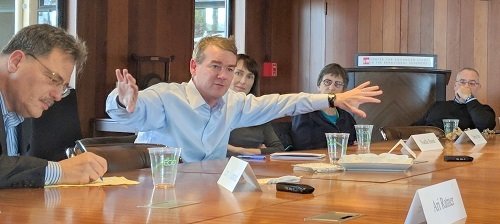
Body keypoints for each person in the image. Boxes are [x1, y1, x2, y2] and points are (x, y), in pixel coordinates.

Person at [106, 36, 382, 163]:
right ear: (193, 67)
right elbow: (130, 110)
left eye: (229, 69)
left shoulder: (234, 103)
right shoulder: (167, 97)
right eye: (215, 66)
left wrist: (332, 98)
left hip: (209, 192)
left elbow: (284, 102)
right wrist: (123, 100)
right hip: (159, 195)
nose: (223, 76)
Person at [0, 24, 107, 188]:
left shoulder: (24, 107)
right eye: (54, 80)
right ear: (16, 62)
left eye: (63, 87)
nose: (57, 96)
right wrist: (59, 171)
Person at [227, 54, 285, 155]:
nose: (243, 81)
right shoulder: (215, 106)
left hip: (252, 167)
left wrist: (246, 151)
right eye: (238, 73)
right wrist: (239, 150)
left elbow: (278, 149)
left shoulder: (258, 109)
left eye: (250, 76)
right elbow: (211, 145)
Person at [291, 63, 357, 150]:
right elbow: (302, 146)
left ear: (343, 90)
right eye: (327, 82)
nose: (331, 88)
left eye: (338, 84)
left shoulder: (347, 118)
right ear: (318, 85)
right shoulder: (304, 113)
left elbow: (354, 144)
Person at [413, 68, 496, 131]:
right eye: (462, 82)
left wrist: (469, 98)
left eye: (472, 83)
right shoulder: (438, 106)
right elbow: (416, 127)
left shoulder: (484, 110)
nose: (466, 86)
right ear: (455, 86)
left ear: (478, 88)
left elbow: (486, 126)